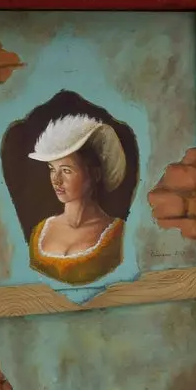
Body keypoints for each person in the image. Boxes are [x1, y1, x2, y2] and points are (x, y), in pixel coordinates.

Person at [26, 113, 128, 286]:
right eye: (52, 169)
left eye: (66, 170)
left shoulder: (118, 235)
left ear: (94, 174)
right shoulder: (39, 232)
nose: (56, 180)